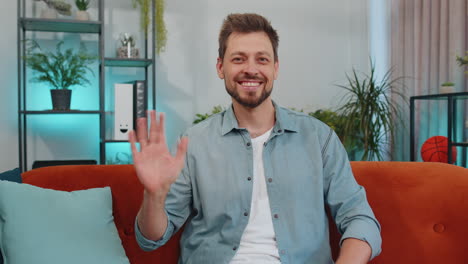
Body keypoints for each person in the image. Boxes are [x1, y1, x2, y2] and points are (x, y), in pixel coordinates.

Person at [130, 13, 381, 264]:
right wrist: (154, 195)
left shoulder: (319, 138)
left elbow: (360, 218)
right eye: (238, 59)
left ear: (275, 68)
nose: (251, 69)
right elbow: (151, 239)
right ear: (221, 67)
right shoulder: (194, 142)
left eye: (262, 59)